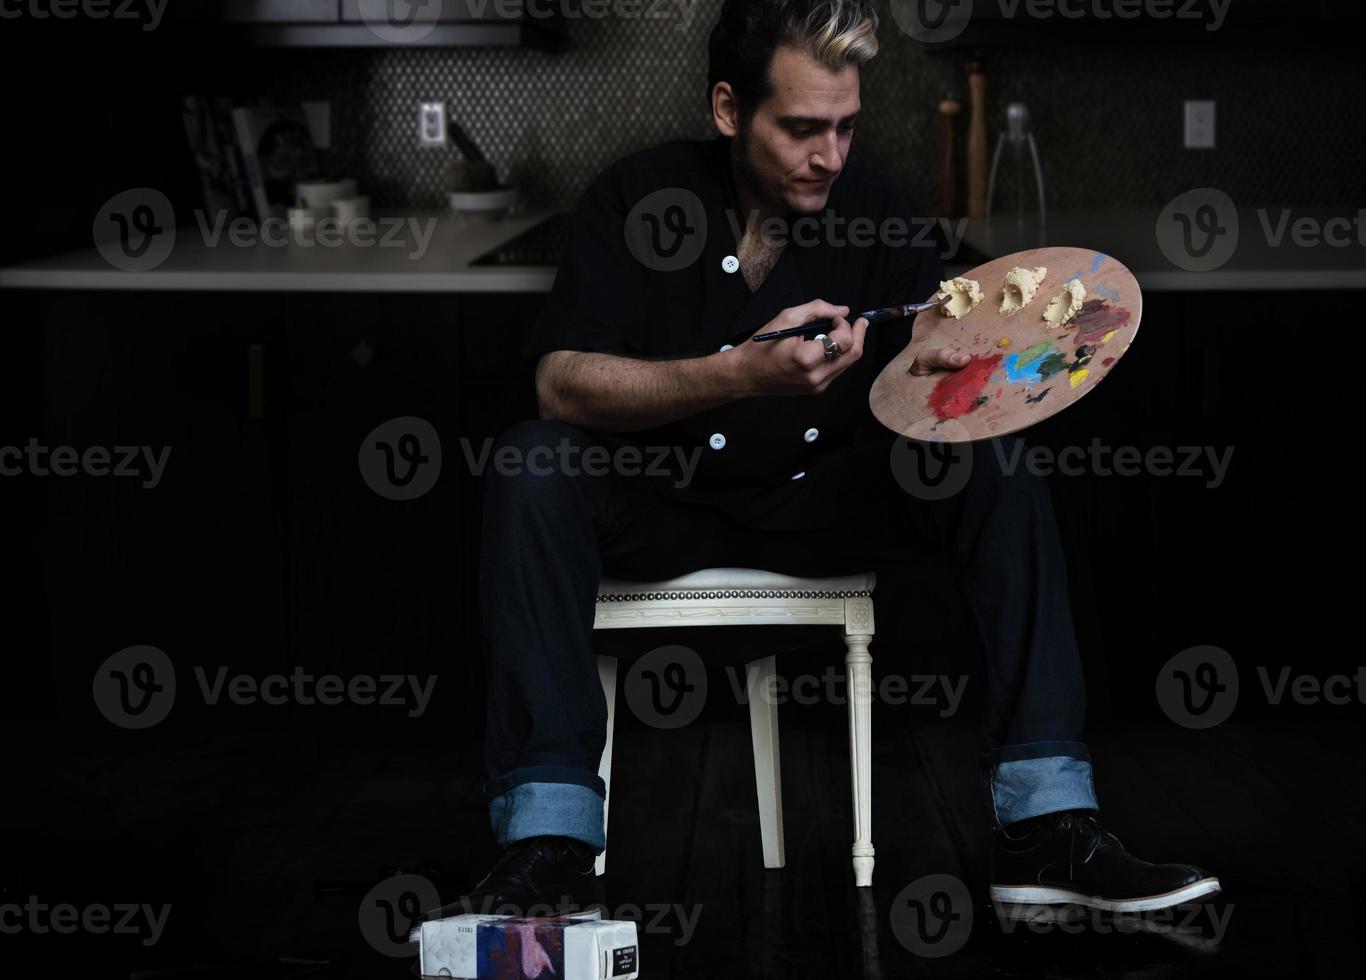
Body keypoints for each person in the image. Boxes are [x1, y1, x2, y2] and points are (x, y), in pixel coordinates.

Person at [423, 0, 1218, 923]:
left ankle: (1047, 831)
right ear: (728, 109)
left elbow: (939, 369)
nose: (829, 157)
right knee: (530, 461)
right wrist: (737, 374)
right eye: (802, 128)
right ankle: (547, 848)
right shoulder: (640, 200)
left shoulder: (876, 213)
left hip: (821, 504)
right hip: (658, 501)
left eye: (845, 127)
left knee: (995, 465)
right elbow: (561, 385)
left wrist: (982, 366)